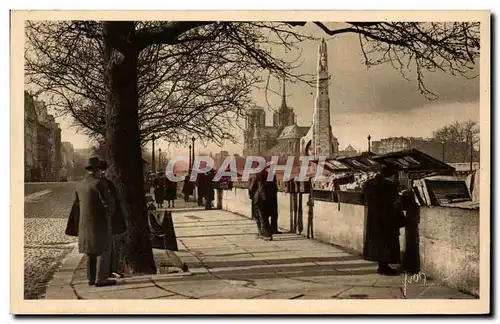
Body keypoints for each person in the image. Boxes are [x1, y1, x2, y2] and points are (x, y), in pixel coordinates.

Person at [67, 156, 115, 287]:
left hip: (84, 224)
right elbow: (109, 203)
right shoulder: (99, 183)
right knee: (104, 249)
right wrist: (110, 211)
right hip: (99, 222)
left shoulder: (80, 184)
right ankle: (101, 279)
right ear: (97, 170)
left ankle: (91, 278)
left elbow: (77, 205)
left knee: (90, 252)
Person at [362, 166, 406, 276]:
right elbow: (395, 204)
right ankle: (385, 268)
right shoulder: (389, 187)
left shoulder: (371, 184)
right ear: (392, 176)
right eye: (396, 177)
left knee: (379, 245)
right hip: (387, 220)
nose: (398, 179)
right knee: (388, 244)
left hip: (374, 220)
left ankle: (382, 267)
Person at [98, 160, 127, 279]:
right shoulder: (104, 184)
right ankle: (107, 272)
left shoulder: (106, 183)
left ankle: (111, 270)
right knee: (110, 248)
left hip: (110, 220)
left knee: (113, 247)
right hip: (109, 221)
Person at [248, 167, 273, 241]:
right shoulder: (269, 175)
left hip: (259, 198)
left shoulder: (256, 176)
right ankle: (266, 233)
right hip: (267, 198)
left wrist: (251, 195)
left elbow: (251, 188)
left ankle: (265, 234)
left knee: (260, 216)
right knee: (265, 216)